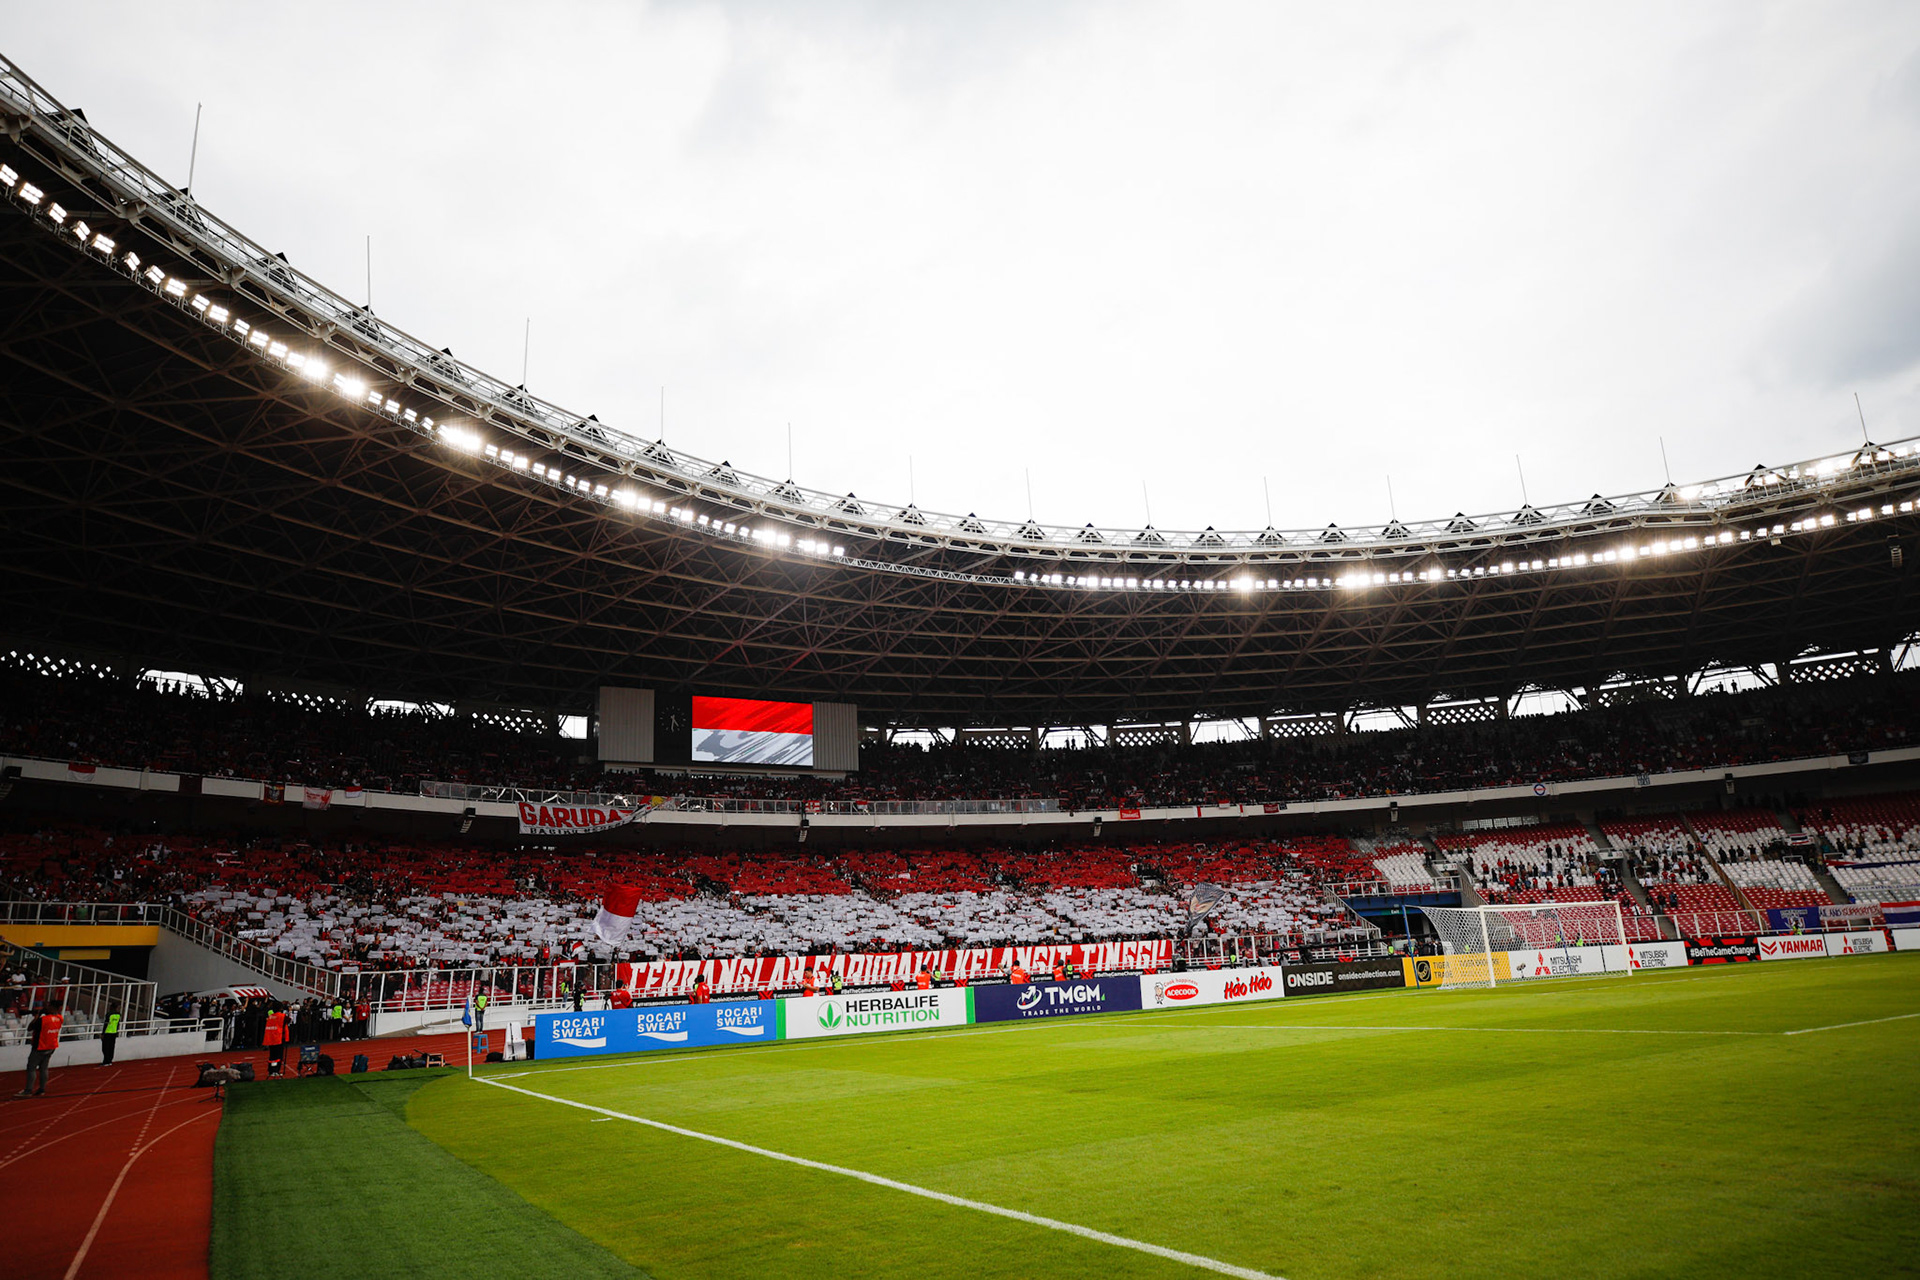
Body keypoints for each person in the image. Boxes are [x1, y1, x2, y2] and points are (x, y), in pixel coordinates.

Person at [16, 998, 62, 1097]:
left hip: (40, 1046)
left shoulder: (43, 1020)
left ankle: (28, 1090)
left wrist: (36, 1016)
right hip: (51, 1046)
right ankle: (42, 1089)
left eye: (48, 1006)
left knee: (31, 1068)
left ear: (52, 1007)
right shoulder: (60, 1018)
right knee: (44, 1068)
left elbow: (30, 1028)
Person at [263, 1003, 287, 1077]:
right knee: (278, 1055)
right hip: (278, 1037)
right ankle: (276, 1070)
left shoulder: (270, 1017)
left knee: (272, 1055)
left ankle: (271, 1070)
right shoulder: (282, 1016)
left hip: (270, 1038)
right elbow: (288, 1021)